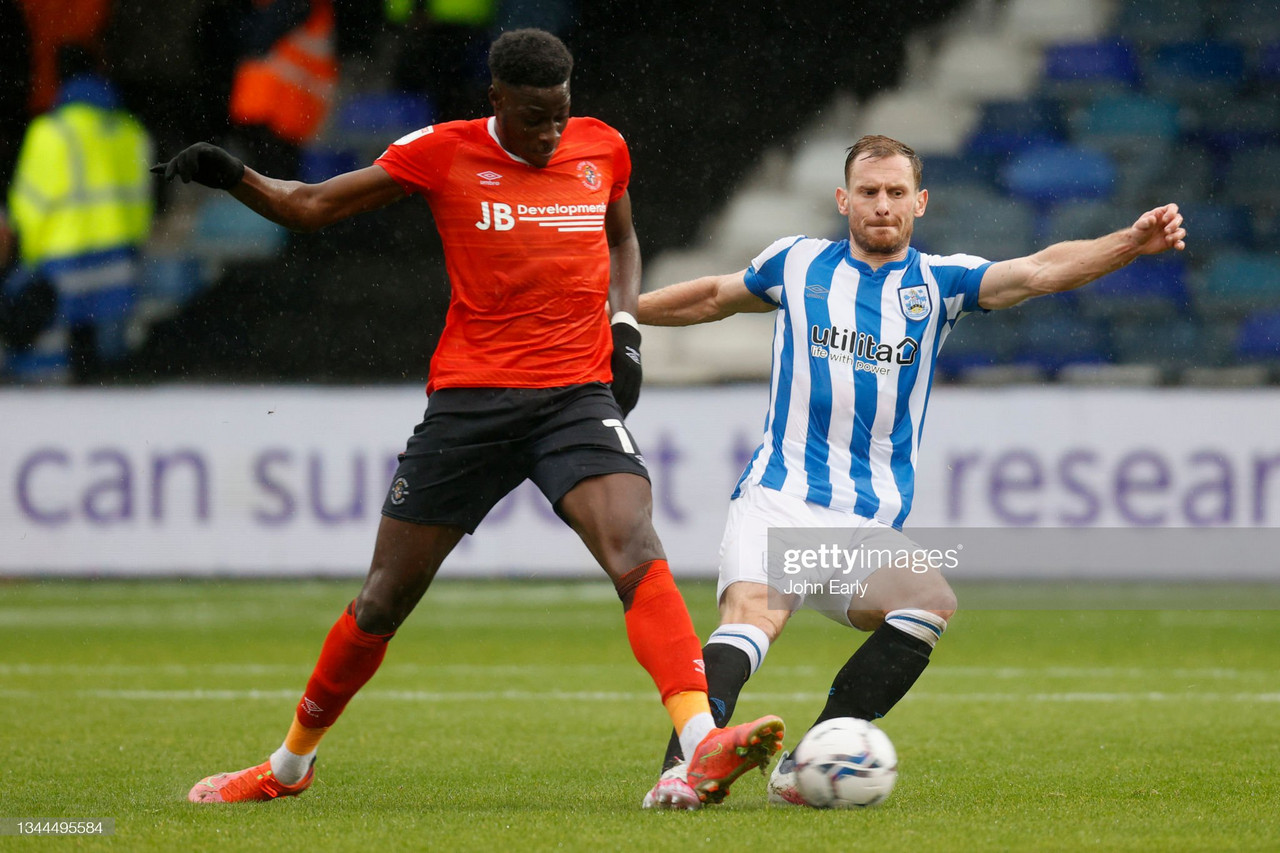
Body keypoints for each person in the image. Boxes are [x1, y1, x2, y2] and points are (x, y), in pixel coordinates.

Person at [154, 28, 783, 807]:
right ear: (495, 100)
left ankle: (700, 744)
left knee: (635, 546)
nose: (550, 132)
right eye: (531, 117)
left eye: (559, 113)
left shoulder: (603, 148)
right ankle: (288, 765)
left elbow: (622, 241)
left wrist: (624, 329)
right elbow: (309, 206)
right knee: (383, 598)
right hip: (470, 404)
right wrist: (235, 175)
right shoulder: (440, 152)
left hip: (573, 396)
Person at [636, 134, 1187, 808]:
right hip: (780, 496)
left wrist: (1128, 242)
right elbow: (714, 296)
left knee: (928, 603)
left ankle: (803, 767)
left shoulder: (940, 282)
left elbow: (1042, 269)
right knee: (754, 616)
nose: (881, 204)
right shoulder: (797, 262)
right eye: (868, 192)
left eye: (896, 192)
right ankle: (680, 772)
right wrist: (620, 313)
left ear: (919, 202)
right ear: (843, 199)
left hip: (863, 519)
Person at [6, 43, 153, 383]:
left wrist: (27, 262)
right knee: (109, 368)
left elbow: (28, 209)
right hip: (118, 265)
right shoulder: (131, 131)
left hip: (62, 268)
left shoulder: (50, 133)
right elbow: (143, 203)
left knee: (60, 371)